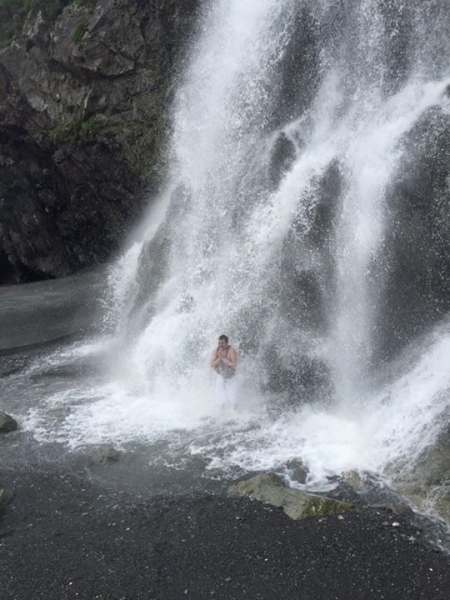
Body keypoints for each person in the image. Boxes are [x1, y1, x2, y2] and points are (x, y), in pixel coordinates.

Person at [210, 334, 237, 405]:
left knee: (232, 397)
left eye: (222, 343)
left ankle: (235, 411)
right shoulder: (216, 351)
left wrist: (224, 359)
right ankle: (222, 411)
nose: (220, 345)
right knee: (220, 395)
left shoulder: (231, 350)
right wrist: (219, 359)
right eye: (219, 343)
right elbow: (211, 364)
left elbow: (234, 364)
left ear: (227, 343)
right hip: (221, 375)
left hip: (231, 376)